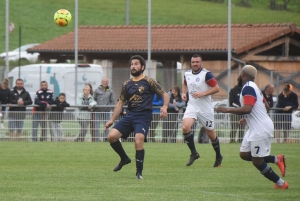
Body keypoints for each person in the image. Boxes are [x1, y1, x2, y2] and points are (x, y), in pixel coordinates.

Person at [216, 65, 289, 189]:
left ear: (243, 74)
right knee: (244, 154)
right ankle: (277, 159)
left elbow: (248, 108)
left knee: (257, 162)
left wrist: (226, 110)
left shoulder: (248, 88)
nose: (239, 75)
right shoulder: (255, 88)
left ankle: (281, 183)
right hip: (255, 127)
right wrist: (250, 119)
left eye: (240, 73)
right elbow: (266, 107)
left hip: (261, 128)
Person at [105, 55, 169, 180]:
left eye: (136, 64)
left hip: (143, 116)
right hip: (130, 115)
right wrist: (112, 120)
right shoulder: (126, 84)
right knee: (111, 136)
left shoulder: (149, 81)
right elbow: (120, 103)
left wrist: (165, 107)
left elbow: (165, 95)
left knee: (138, 140)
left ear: (142, 67)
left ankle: (138, 173)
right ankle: (124, 158)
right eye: (132, 64)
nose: (133, 66)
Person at [181, 54, 223, 167]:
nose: (195, 64)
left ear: (201, 63)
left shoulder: (206, 74)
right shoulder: (187, 73)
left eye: (197, 62)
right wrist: (184, 93)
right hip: (192, 106)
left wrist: (202, 93)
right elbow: (185, 83)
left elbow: (217, 88)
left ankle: (218, 156)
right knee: (185, 127)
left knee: (210, 133)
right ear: (191, 63)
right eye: (193, 62)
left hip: (205, 109)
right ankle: (194, 153)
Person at [93, 77, 115, 142]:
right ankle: (97, 139)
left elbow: (112, 101)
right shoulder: (97, 90)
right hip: (98, 111)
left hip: (107, 111)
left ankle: (106, 139)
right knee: (97, 126)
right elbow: (93, 99)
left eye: (106, 81)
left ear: (108, 83)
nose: (105, 83)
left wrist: (109, 108)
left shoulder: (110, 90)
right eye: (103, 81)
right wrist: (96, 106)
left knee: (107, 125)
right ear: (101, 82)